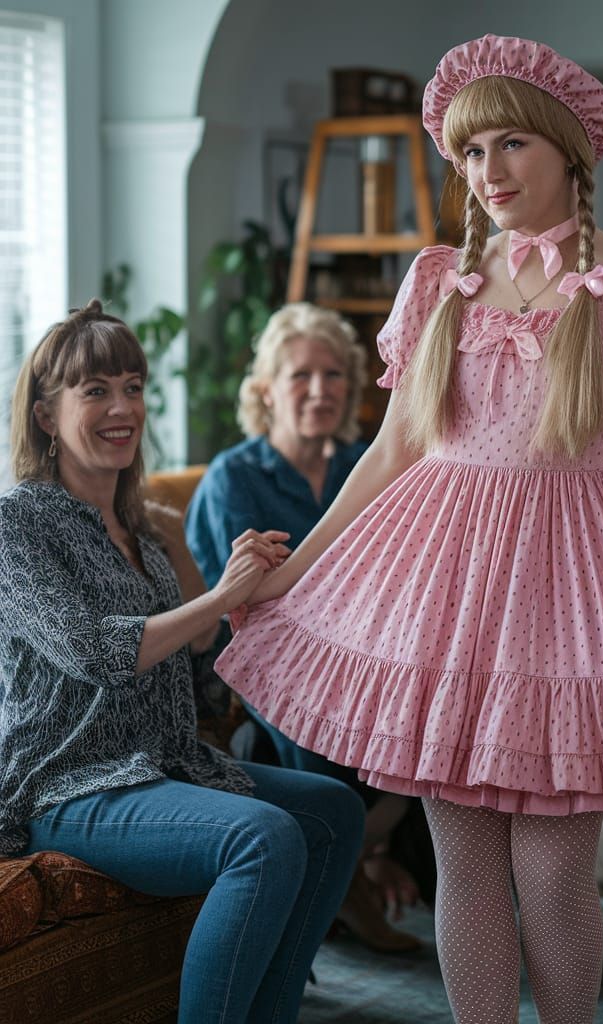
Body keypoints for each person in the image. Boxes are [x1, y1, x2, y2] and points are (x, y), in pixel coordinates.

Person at [214, 34, 603, 1024]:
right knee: (466, 867)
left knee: (551, 875)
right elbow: (393, 450)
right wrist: (297, 572)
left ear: (567, 148)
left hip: (569, 596)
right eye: (471, 153)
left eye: (509, 147)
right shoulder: (436, 280)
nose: (488, 173)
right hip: (442, 591)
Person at [0, 301, 365, 1024]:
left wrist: (236, 601)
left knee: (333, 810)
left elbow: (200, 672)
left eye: (133, 386)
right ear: (45, 416)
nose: (121, 407)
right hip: (69, 786)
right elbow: (93, 651)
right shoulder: (18, 525)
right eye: (95, 390)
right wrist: (215, 599)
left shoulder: (146, 529)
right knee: (262, 838)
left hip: (162, 766)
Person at [186, 301, 428, 951]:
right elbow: (247, 607)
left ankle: (368, 847)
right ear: (266, 390)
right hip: (256, 655)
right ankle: (351, 868)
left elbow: (398, 575)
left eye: (333, 375)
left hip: (363, 646)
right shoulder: (233, 477)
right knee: (305, 689)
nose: (318, 390)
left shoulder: (363, 466)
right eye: (299, 376)